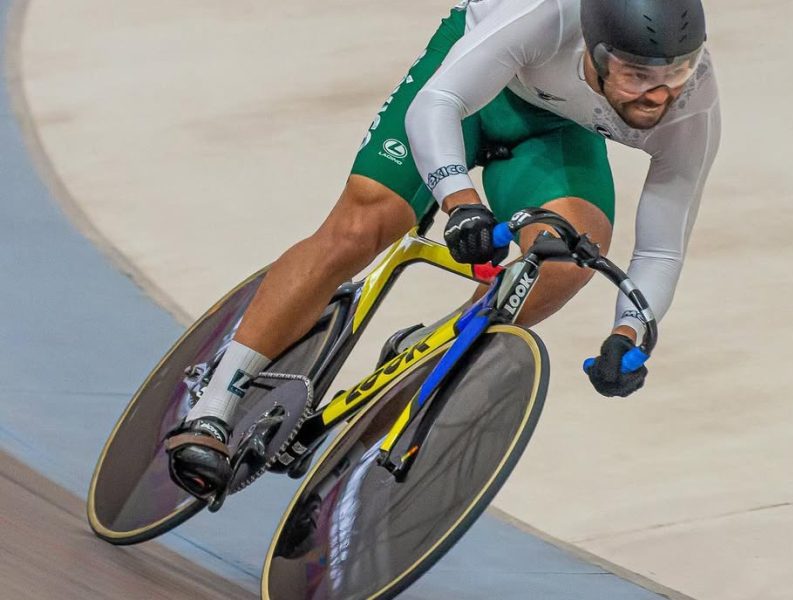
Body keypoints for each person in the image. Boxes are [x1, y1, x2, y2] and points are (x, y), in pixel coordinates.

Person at [165, 0, 721, 500]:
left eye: (675, 72)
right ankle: (215, 403)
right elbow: (437, 103)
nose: (659, 94)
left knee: (565, 259)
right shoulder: (548, 16)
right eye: (637, 75)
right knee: (364, 224)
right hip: (468, 88)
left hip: (554, 130)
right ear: (595, 54)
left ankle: (425, 357)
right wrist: (461, 203)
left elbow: (662, 250)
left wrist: (629, 334)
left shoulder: (692, 103)